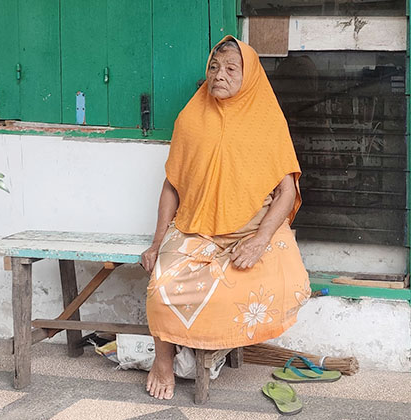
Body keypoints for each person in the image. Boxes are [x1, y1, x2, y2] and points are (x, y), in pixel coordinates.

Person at [139, 36, 310, 400]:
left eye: (232, 69)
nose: (220, 75)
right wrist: (156, 242)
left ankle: (212, 351)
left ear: (249, 76)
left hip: (254, 225)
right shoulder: (191, 117)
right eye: (214, 67)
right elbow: (172, 186)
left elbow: (287, 192)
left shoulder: (266, 119)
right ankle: (164, 361)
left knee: (271, 283)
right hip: (196, 224)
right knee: (160, 286)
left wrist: (261, 239)